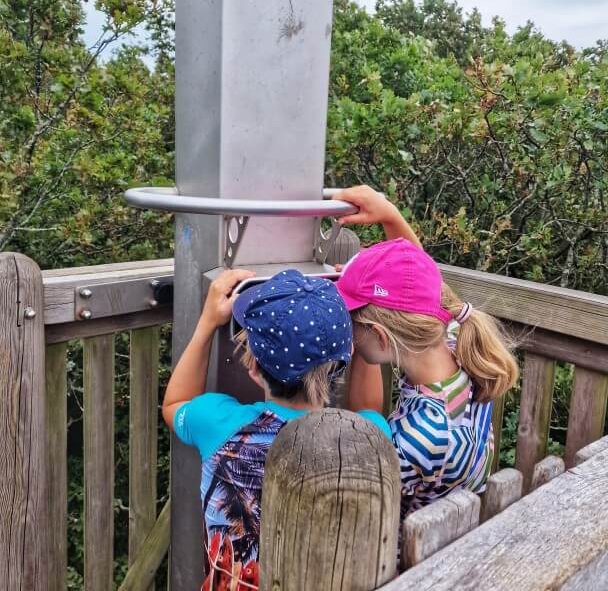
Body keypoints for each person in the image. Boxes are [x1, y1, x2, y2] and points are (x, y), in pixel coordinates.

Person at [162, 268, 391, 590]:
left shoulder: (219, 425)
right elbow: (369, 411)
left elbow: (175, 404)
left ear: (253, 366)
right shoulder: (370, 434)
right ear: (348, 354)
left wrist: (206, 324)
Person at [332, 185, 519, 522]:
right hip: (458, 523)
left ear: (381, 337)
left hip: (412, 562)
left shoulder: (418, 439)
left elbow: (366, 432)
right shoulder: (454, 341)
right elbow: (416, 284)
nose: (346, 329)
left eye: (350, 320)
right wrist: (390, 215)